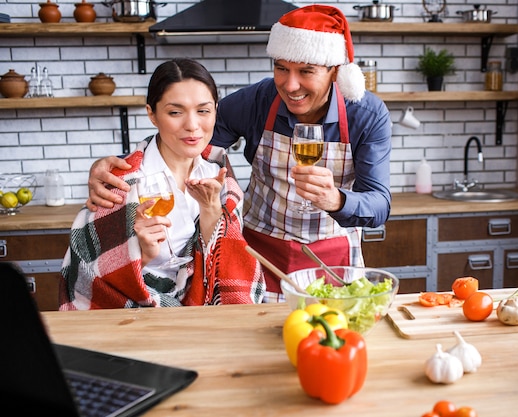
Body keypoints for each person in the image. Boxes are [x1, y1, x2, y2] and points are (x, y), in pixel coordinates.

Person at [84, 5, 392, 302]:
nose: (290, 84)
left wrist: (336, 200)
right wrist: (125, 167)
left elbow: (379, 204)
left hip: (333, 256)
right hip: (261, 254)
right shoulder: (259, 100)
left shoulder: (366, 114)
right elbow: (188, 137)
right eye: (281, 68)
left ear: (335, 71)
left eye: (306, 71)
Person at [59, 58, 265, 310]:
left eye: (203, 110)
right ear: (152, 115)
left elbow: (223, 264)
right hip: (135, 316)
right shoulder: (122, 182)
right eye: (175, 112)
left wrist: (211, 209)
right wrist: (138, 256)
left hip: (202, 317)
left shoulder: (219, 175)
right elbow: (87, 276)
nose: (192, 125)